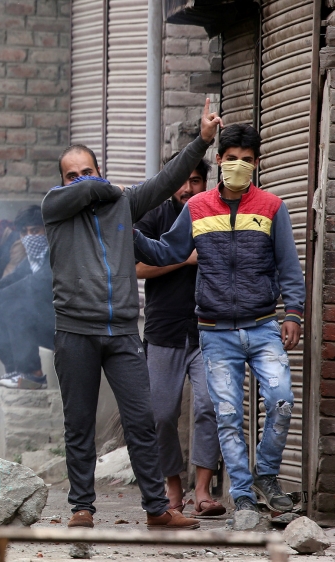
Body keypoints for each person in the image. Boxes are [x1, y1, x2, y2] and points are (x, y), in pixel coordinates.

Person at [40, 99, 221, 531]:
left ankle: (157, 508)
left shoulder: (123, 208)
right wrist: (109, 188)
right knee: (79, 424)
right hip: (75, 332)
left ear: (99, 170)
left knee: (143, 421)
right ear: (62, 182)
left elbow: (167, 181)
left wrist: (202, 142)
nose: (81, 180)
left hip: (122, 332)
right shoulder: (55, 208)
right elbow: (90, 192)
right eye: (72, 174)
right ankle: (82, 507)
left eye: (88, 171)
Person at [133, 123, 305, 522]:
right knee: (226, 416)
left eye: (247, 160)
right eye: (232, 160)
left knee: (281, 400)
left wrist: (293, 313)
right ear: (220, 161)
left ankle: (266, 475)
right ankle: (243, 494)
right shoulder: (197, 208)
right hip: (214, 331)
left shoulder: (272, 207)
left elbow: (289, 267)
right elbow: (165, 251)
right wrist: (124, 232)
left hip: (263, 325)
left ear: (257, 163)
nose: (239, 166)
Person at [133, 156, 224, 517]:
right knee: (161, 414)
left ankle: (202, 490)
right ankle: (173, 487)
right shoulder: (156, 216)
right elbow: (137, 267)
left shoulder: (216, 214)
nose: (188, 188)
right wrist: (184, 258)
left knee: (209, 406)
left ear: (206, 182)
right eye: (182, 181)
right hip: (164, 331)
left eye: (196, 181)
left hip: (209, 330)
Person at [0, 205, 55, 390]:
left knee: (16, 307)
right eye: (25, 232)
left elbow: (30, 284)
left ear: (47, 230)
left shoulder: (56, 257)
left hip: (63, 328)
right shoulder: (31, 260)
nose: (30, 237)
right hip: (42, 323)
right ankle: (15, 370)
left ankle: (33, 375)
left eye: (35, 230)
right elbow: (11, 280)